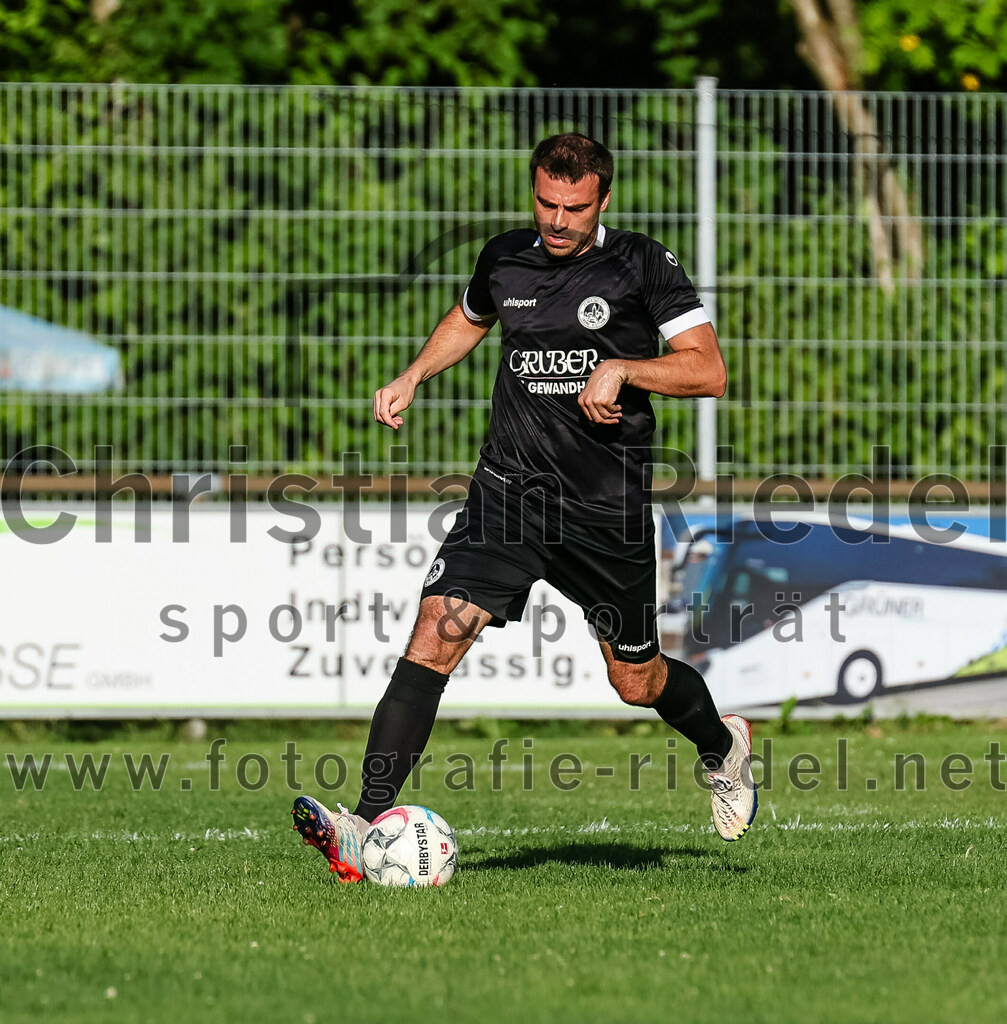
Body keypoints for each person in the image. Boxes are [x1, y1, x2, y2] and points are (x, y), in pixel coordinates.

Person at [291, 133, 757, 880]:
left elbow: (708, 371)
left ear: (603, 199)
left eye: (574, 207)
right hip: (508, 495)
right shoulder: (506, 257)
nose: (558, 220)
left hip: (605, 510)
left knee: (634, 680)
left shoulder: (641, 264)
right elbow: (470, 318)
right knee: (436, 632)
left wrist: (624, 370)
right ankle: (366, 822)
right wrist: (413, 375)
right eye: (546, 203)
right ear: (532, 191)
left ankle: (720, 745)